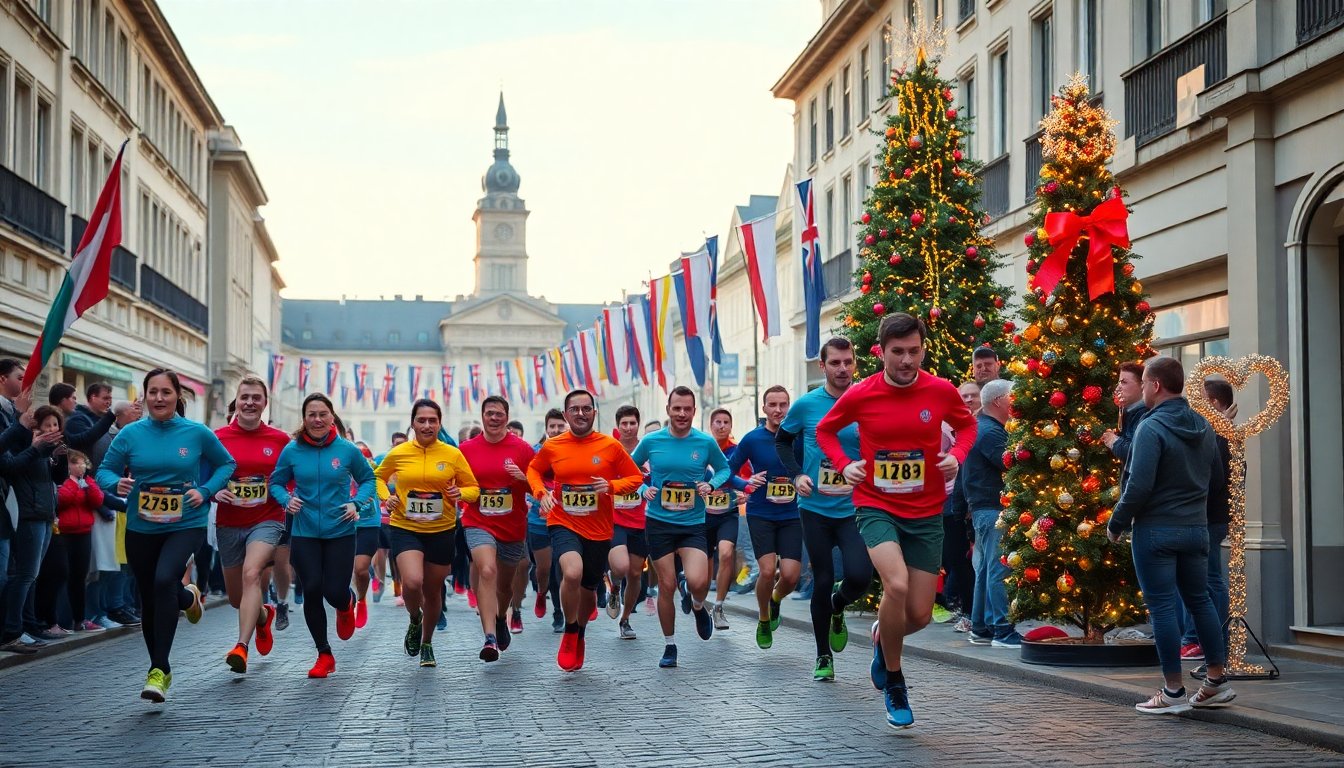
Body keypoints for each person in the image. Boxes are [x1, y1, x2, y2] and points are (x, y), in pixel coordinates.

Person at [817, 314, 976, 729]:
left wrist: (955, 458)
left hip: (925, 512)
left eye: (914, 351)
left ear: (923, 349)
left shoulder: (940, 391)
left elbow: (968, 426)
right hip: (876, 504)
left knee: (921, 615)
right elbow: (825, 432)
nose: (907, 360)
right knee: (897, 584)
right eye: (898, 352)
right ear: (881, 351)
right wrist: (844, 464)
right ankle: (894, 679)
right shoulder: (862, 393)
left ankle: (882, 639)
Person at [95, 368, 237, 701]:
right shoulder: (130, 434)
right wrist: (115, 483)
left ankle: (158, 671)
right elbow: (104, 470)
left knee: (162, 582)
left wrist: (205, 490)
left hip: (186, 522)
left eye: (166, 392)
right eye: (153, 392)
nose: (159, 398)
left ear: (177, 396)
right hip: (142, 525)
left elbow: (226, 465)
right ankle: (187, 599)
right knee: (151, 597)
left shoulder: (196, 433)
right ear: (144, 397)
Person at [1107, 356, 1236, 714]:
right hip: (1196, 530)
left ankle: (1173, 692)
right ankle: (1215, 682)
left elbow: (1138, 486)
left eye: (1145, 382)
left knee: (1162, 607)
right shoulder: (1204, 425)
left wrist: (1116, 523)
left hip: (1157, 531)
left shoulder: (1151, 427)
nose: (1144, 388)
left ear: (1156, 385)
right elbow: (1215, 480)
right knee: (1201, 601)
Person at [775, 337, 872, 682]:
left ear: (855, 363)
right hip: (814, 506)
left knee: (860, 576)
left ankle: (838, 605)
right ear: (823, 366)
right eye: (835, 363)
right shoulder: (806, 405)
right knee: (823, 577)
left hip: (853, 506)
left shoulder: (866, 399)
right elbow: (783, 441)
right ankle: (823, 656)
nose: (843, 369)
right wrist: (797, 474)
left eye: (848, 362)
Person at [527, 389, 642, 671]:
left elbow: (636, 477)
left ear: (594, 412)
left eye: (586, 409)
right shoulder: (554, 446)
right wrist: (542, 492)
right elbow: (533, 470)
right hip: (563, 522)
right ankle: (569, 630)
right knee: (572, 572)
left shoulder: (609, 446)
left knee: (588, 589)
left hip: (599, 529)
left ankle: (580, 632)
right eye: (574, 409)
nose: (580, 413)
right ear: (566, 415)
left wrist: (612, 487)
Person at [268, 393, 375, 679]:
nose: (317, 419)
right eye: (311, 414)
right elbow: (276, 482)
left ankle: (347, 603)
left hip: (340, 530)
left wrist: (356, 503)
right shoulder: (292, 451)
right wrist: (286, 499)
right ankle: (324, 654)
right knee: (312, 588)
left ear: (331, 418)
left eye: (322, 414)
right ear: (304, 419)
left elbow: (369, 480)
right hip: (304, 532)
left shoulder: (348, 450)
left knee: (333, 592)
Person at [631, 386, 731, 669]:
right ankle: (670, 645)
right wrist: (642, 488)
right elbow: (626, 468)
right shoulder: (652, 441)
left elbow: (724, 469)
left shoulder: (705, 442)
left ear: (694, 411)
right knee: (667, 584)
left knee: (699, 582)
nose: (682, 414)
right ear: (668, 410)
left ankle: (698, 606)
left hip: (693, 524)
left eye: (687, 409)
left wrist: (710, 484)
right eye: (677, 408)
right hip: (659, 523)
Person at [376, 399, 479, 668]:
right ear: (412, 423)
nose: (427, 425)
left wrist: (461, 493)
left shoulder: (452, 454)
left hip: (441, 530)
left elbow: (473, 488)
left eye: (432, 420)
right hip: (405, 527)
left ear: (439, 423)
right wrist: (387, 497)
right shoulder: (399, 453)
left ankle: (427, 643)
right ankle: (414, 618)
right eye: (421, 420)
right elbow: (377, 477)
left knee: (433, 592)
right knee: (412, 582)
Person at [213, 377, 292, 673]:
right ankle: (261, 615)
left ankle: (241, 647)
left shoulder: (279, 440)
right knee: (237, 598)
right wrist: (212, 491)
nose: (249, 402)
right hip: (229, 521)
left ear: (264, 403)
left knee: (253, 573)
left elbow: (290, 478)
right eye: (244, 397)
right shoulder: (217, 438)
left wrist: (287, 495)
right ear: (237, 401)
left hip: (267, 519)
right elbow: (203, 474)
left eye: (256, 398)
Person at [728, 386, 803, 652]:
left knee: (792, 576)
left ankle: (775, 599)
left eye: (783, 404)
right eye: (773, 405)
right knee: (768, 570)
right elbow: (729, 469)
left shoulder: (798, 437)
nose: (778, 410)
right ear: (764, 409)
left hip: (792, 513)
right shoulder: (752, 439)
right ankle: (762, 617)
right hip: (761, 512)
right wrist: (745, 483)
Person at [460, 396, 534, 661]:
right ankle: (489, 638)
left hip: (512, 526)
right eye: (489, 413)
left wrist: (523, 479)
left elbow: (537, 487)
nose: (494, 418)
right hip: (478, 521)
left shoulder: (523, 449)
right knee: (487, 570)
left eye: (499, 414)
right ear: (482, 416)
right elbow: (460, 485)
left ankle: (502, 617)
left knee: (505, 586)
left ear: (506, 416)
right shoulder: (467, 449)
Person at [1179, 378, 1235, 666]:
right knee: (1202, 579)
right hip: (1206, 516)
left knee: (1210, 579)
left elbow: (1216, 478)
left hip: (1210, 517)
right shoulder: (1210, 431)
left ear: (1214, 403)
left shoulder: (1221, 434)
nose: (1193, 403)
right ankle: (1198, 638)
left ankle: (1210, 640)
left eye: (1199, 398)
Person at [5, 405, 69, 647]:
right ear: (36, 427)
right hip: (29, 516)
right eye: (48, 425)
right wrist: (38, 448)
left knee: (33, 576)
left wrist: (59, 458)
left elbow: (58, 479)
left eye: (56, 425)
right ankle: (13, 629)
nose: (53, 429)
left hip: (45, 515)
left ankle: (29, 625)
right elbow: (18, 468)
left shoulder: (46, 452)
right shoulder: (27, 447)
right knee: (24, 575)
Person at [960, 379, 1017, 647]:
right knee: (998, 567)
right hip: (992, 507)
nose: (1015, 401)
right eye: (1012, 396)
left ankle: (981, 627)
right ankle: (1001, 629)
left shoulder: (981, 427)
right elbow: (1012, 463)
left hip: (983, 508)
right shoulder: (991, 432)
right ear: (998, 401)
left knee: (984, 569)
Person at [37, 449, 103, 633]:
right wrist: (76, 486)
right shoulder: (64, 482)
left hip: (84, 533)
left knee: (79, 577)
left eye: (82, 463)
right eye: (75, 463)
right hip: (65, 532)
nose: (79, 466)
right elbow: (63, 499)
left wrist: (87, 486)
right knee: (62, 574)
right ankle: (58, 619)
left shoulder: (87, 481)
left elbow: (98, 499)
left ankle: (79, 619)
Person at [606, 404, 649, 639]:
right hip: (616, 520)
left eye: (633, 423)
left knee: (635, 574)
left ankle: (625, 620)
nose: (629, 427)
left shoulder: (647, 450)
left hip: (641, 521)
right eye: (625, 423)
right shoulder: (610, 450)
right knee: (621, 567)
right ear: (618, 426)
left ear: (637, 425)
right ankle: (613, 587)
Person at [704, 407, 748, 630]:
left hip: (727, 514)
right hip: (702, 516)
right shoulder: (702, 448)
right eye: (717, 422)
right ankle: (695, 596)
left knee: (726, 554)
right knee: (704, 568)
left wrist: (745, 493)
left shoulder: (737, 451)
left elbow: (748, 478)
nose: (721, 426)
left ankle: (719, 607)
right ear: (710, 426)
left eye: (726, 422)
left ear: (731, 426)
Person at [526, 408, 567, 633]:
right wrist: (539, 495)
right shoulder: (536, 452)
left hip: (566, 520)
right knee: (544, 568)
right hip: (539, 519)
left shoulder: (574, 450)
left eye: (560, 426)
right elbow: (529, 481)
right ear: (547, 428)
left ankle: (559, 612)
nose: (556, 429)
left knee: (561, 566)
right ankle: (541, 593)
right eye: (552, 426)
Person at [371, 431, 407, 605]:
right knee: (379, 553)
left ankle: (399, 586)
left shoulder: (410, 462)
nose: (399, 446)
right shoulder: (383, 460)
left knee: (395, 554)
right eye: (396, 443)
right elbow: (374, 479)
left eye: (403, 443)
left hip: (402, 517)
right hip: (383, 515)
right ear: (392, 444)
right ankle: (379, 582)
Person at [1102, 362, 1148, 463]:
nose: (1118, 388)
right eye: (1119, 382)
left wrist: (1114, 441)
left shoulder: (1146, 415)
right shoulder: (1129, 412)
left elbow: (1138, 454)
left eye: (1124, 382)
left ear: (1142, 385)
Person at [60, 382, 118, 455]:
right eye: (105, 398)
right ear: (93, 397)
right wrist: (109, 417)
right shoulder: (76, 418)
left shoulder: (104, 419)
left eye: (110, 399)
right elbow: (85, 441)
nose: (109, 402)